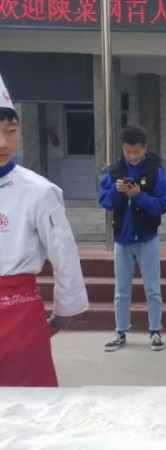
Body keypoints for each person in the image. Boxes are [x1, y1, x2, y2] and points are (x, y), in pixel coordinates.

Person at [0, 73, 89, 386]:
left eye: (10, 131)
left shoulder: (39, 191)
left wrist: (64, 310)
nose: (3, 142)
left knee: (27, 399)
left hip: (19, 312)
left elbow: (63, 254)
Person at [98, 125, 166, 352]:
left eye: (136, 152)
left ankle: (156, 331)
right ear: (122, 148)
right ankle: (120, 331)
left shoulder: (154, 170)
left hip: (147, 238)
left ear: (144, 148)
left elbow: (163, 204)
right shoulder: (114, 171)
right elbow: (105, 201)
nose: (132, 156)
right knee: (121, 289)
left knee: (153, 289)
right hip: (122, 238)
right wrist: (117, 191)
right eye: (128, 152)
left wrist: (139, 195)